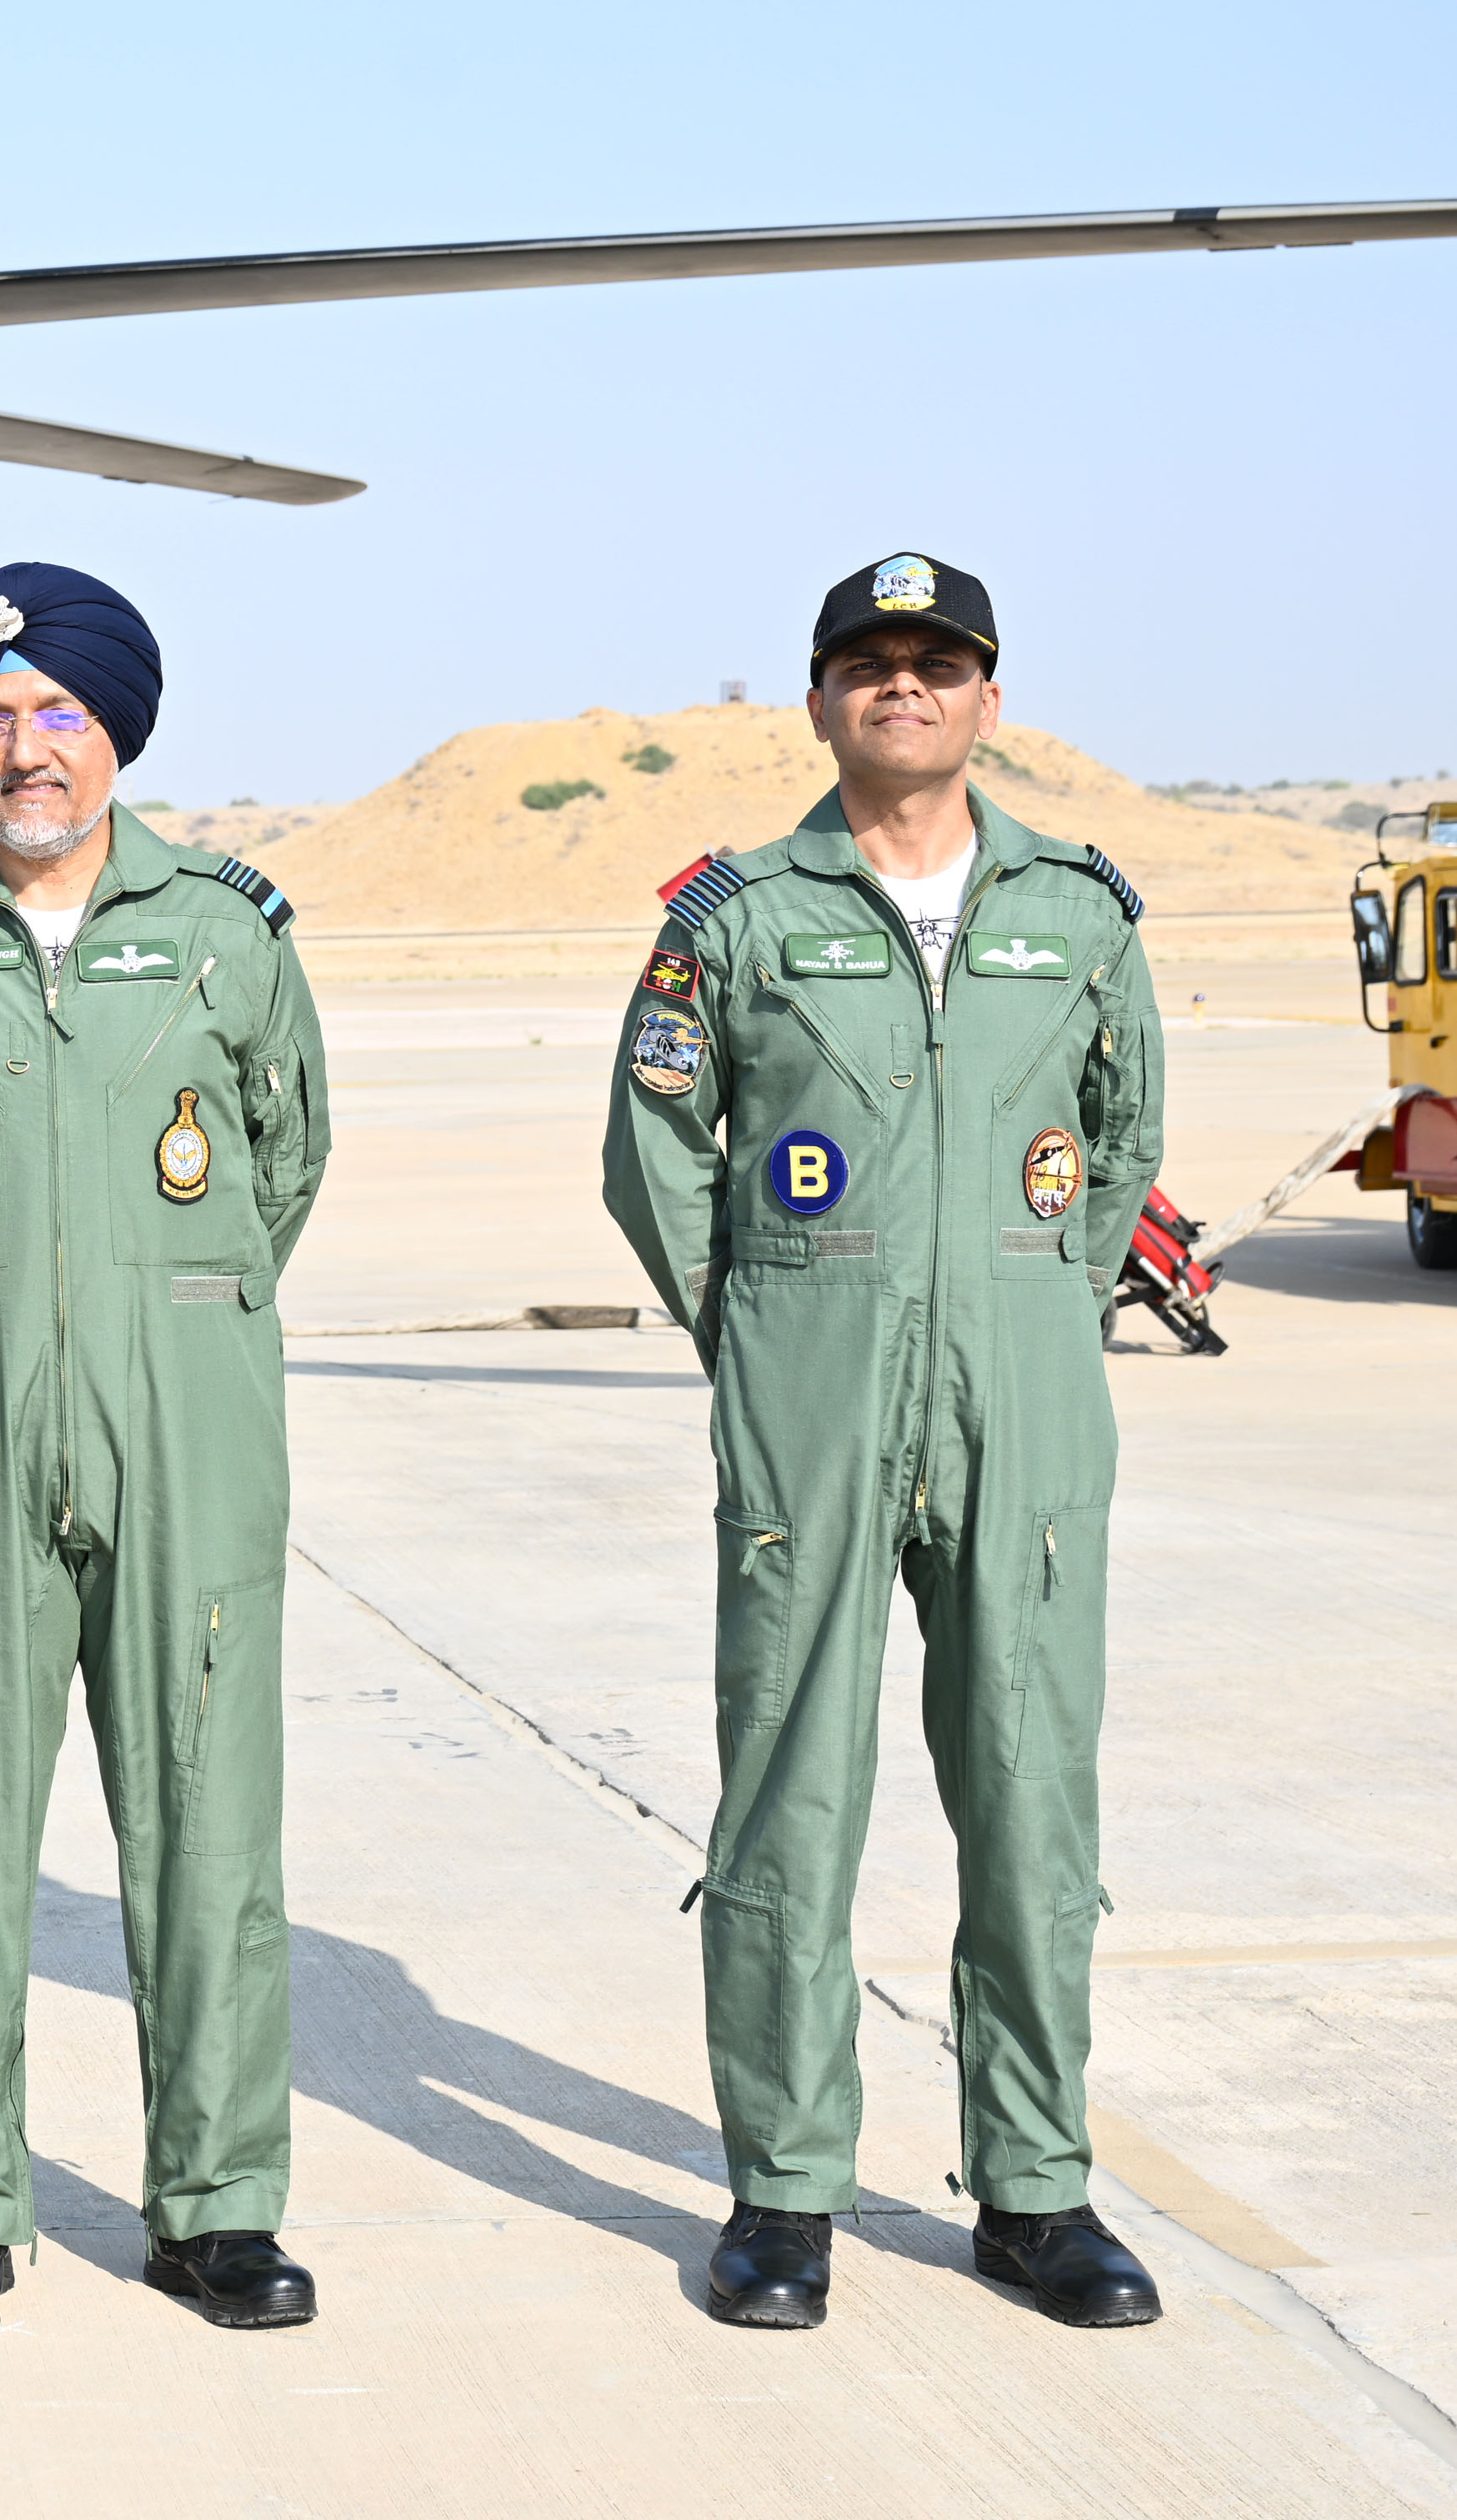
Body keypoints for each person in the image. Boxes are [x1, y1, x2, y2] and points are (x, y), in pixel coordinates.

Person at [602, 555, 1167, 2332]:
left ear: (988, 697)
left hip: (1021, 1400)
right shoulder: (738, 913)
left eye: (935, 664)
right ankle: (782, 2191)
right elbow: (655, 1139)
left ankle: (1034, 2185)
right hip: (810, 1395)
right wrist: (761, 1320)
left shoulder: (1076, 910)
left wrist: (1040, 1301)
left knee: (1027, 1792)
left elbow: (1123, 1128)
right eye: (867, 663)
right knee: (789, 1792)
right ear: (820, 700)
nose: (900, 689)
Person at [0, 563, 333, 2337]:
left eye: (60, 716)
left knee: (206, 1820)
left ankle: (216, 2201)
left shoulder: (231, 930)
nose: (28, 749)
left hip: (187, 1417)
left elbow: (283, 1161)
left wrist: (170, 1313)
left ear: (118, 735)